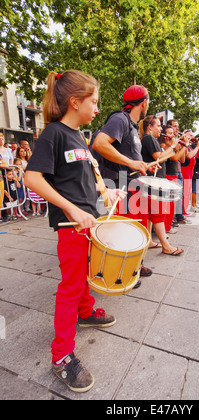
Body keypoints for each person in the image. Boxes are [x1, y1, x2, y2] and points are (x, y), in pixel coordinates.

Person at [24, 70, 125, 393]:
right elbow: (33, 178)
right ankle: (62, 356)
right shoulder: (53, 133)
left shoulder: (79, 137)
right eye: (93, 102)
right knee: (70, 286)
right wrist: (72, 210)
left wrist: (105, 194)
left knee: (84, 274)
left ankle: (85, 312)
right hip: (70, 226)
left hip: (87, 221)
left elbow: (82, 183)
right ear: (74, 101)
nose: (97, 109)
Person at [92, 85, 154, 277]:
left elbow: (129, 156)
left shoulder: (133, 126)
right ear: (144, 103)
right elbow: (99, 143)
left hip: (133, 183)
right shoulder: (120, 119)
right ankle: (122, 271)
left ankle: (133, 265)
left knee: (136, 228)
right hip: (121, 185)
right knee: (125, 230)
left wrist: (144, 164)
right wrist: (132, 163)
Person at [140, 116, 184, 256]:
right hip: (152, 181)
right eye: (158, 126)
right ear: (150, 127)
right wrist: (172, 146)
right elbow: (159, 157)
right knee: (157, 214)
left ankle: (149, 241)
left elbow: (169, 157)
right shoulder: (148, 139)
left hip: (154, 180)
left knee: (150, 215)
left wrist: (174, 145)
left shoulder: (152, 139)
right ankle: (166, 246)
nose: (161, 129)